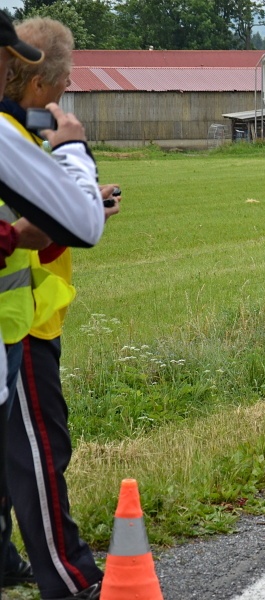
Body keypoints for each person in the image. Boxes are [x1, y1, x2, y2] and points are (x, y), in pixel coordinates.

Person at [2, 17, 115, 600]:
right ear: (41, 79)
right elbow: (65, 227)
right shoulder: (11, 136)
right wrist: (74, 157)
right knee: (40, 454)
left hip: (25, 314)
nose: (68, 87)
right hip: (20, 321)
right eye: (66, 77)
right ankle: (70, 579)